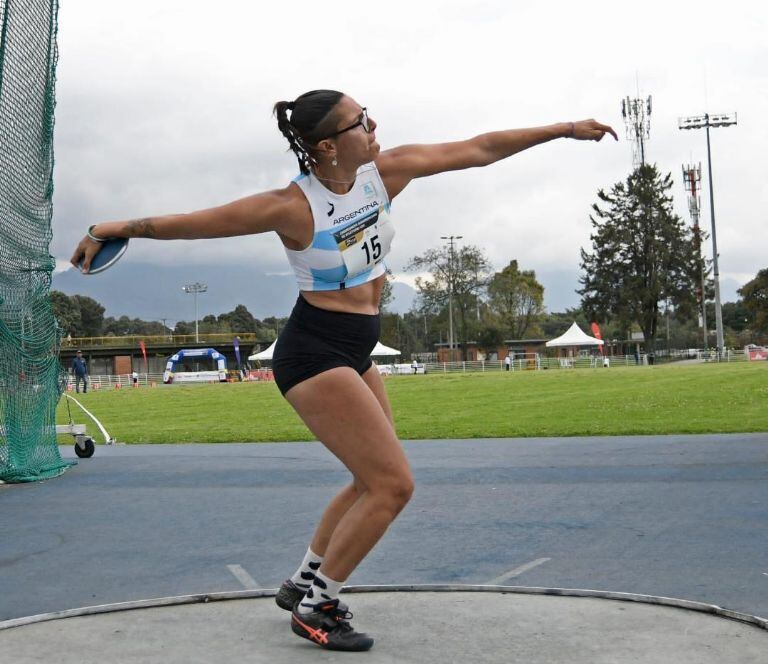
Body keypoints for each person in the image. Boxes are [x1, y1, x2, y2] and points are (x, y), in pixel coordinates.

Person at [71, 90, 617, 652]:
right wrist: (113, 227)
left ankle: (303, 579)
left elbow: (476, 149)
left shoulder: (383, 176)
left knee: (367, 479)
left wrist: (564, 128)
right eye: (361, 121)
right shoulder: (293, 206)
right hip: (313, 353)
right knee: (393, 485)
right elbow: (192, 225)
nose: (374, 124)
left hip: (357, 347)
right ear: (328, 146)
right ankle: (318, 605)